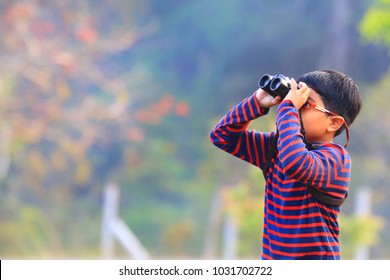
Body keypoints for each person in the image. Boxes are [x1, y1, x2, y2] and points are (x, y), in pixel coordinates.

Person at [209, 69, 362, 260]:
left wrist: (288, 107)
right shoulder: (276, 148)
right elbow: (221, 135)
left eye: (304, 103)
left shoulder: (336, 159)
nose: (294, 108)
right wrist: (256, 102)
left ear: (333, 123)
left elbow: (296, 163)